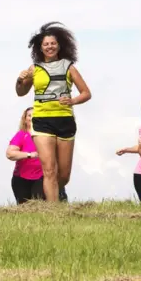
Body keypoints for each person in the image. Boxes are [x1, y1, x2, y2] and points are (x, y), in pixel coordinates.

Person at [15, 22, 92, 202]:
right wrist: (20, 80)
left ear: (59, 45)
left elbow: (86, 93)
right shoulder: (34, 68)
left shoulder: (69, 66)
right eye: (46, 44)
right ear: (40, 48)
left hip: (65, 120)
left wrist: (72, 100)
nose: (49, 47)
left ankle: (57, 194)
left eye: (52, 43)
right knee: (49, 169)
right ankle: (53, 211)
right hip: (42, 121)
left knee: (63, 174)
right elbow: (20, 92)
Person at [6, 107, 45, 204]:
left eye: (35, 115)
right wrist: (30, 155)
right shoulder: (21, 135)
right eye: (29, 115)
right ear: (25, 119)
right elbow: (10, 154)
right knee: (24, 209)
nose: (32, 118)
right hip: (21, 178)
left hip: (41, 177)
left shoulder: (46, 136)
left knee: (38, 206)